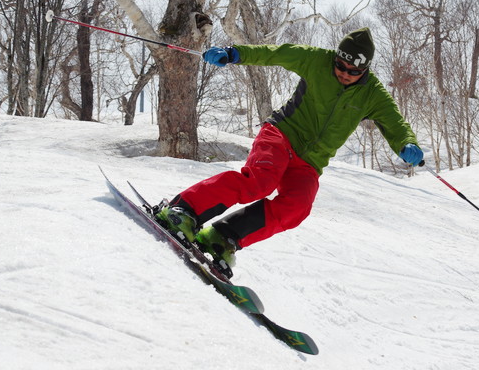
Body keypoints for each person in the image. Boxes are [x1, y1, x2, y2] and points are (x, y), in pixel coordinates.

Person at [155, 27, 423, 276]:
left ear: (364, 70)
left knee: (297, 207)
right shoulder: (317, 60)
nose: (343, 73)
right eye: (340, 66)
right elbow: (275, 53)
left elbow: (395, 123)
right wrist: (234, 53)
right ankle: (184, 210)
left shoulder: (373, 94)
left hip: (309, 162)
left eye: (352, 71)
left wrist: (406, 144)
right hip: (281, 135)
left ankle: (223, 237)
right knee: (259, 183)